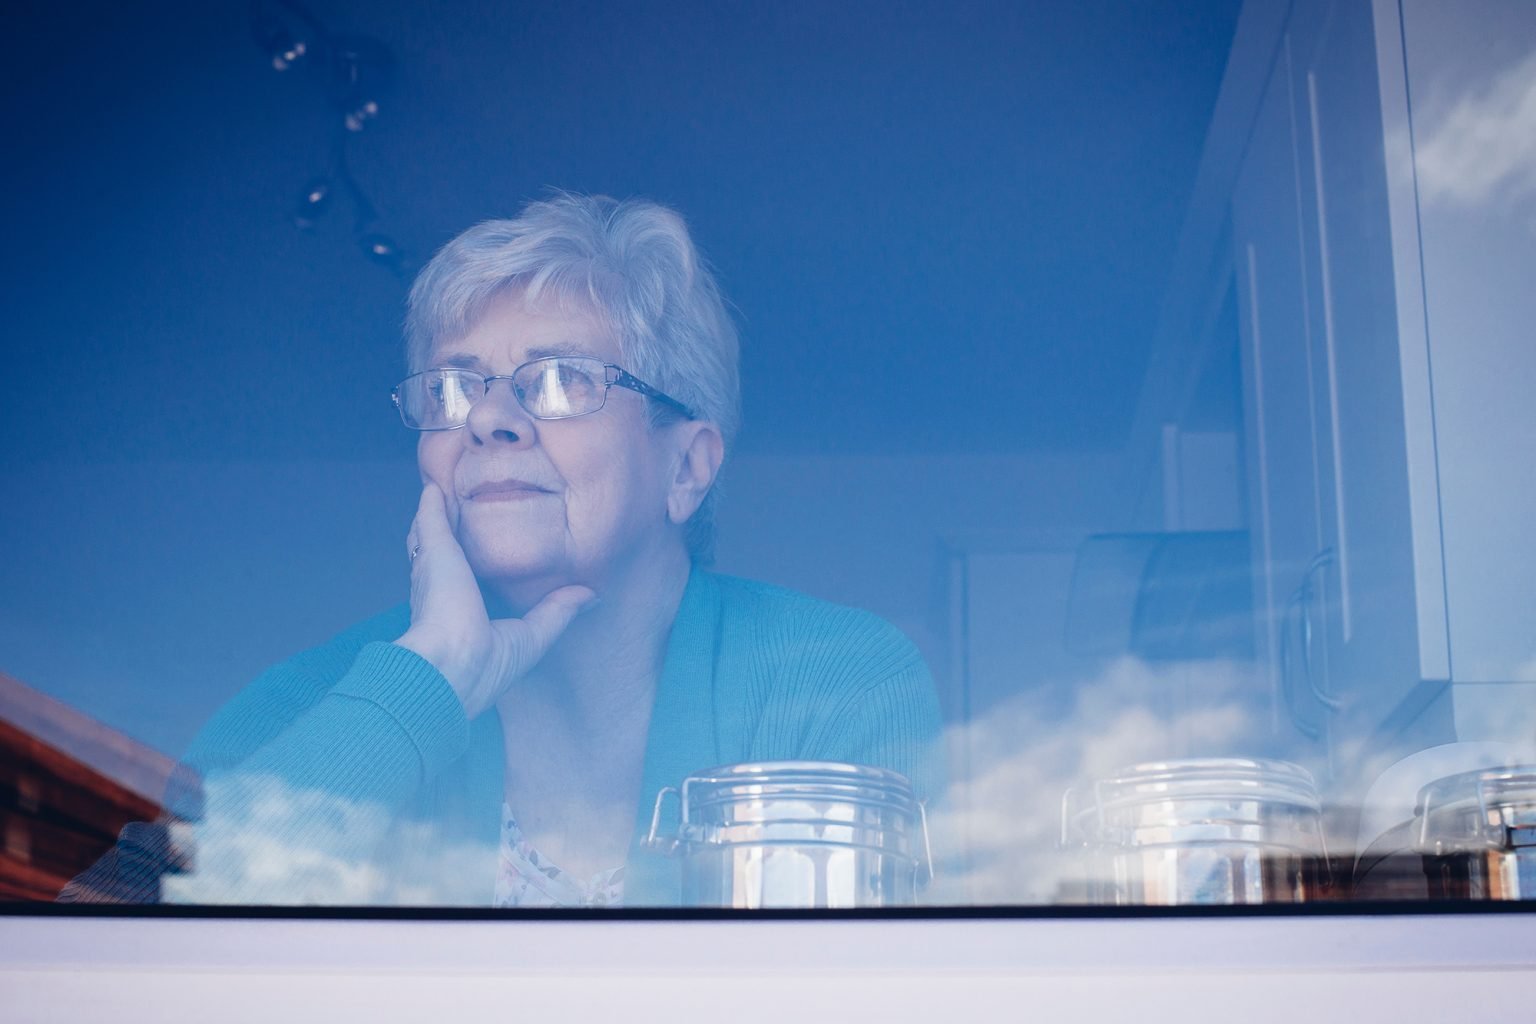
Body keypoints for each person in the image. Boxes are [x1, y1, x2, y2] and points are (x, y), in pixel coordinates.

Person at [62, 193, 942, 907]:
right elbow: (96, 950)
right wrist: (429, 681)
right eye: (451, 388)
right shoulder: (313, 704)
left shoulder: (834, 681)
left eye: (560, 381)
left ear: (687, 466)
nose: (487, 418)